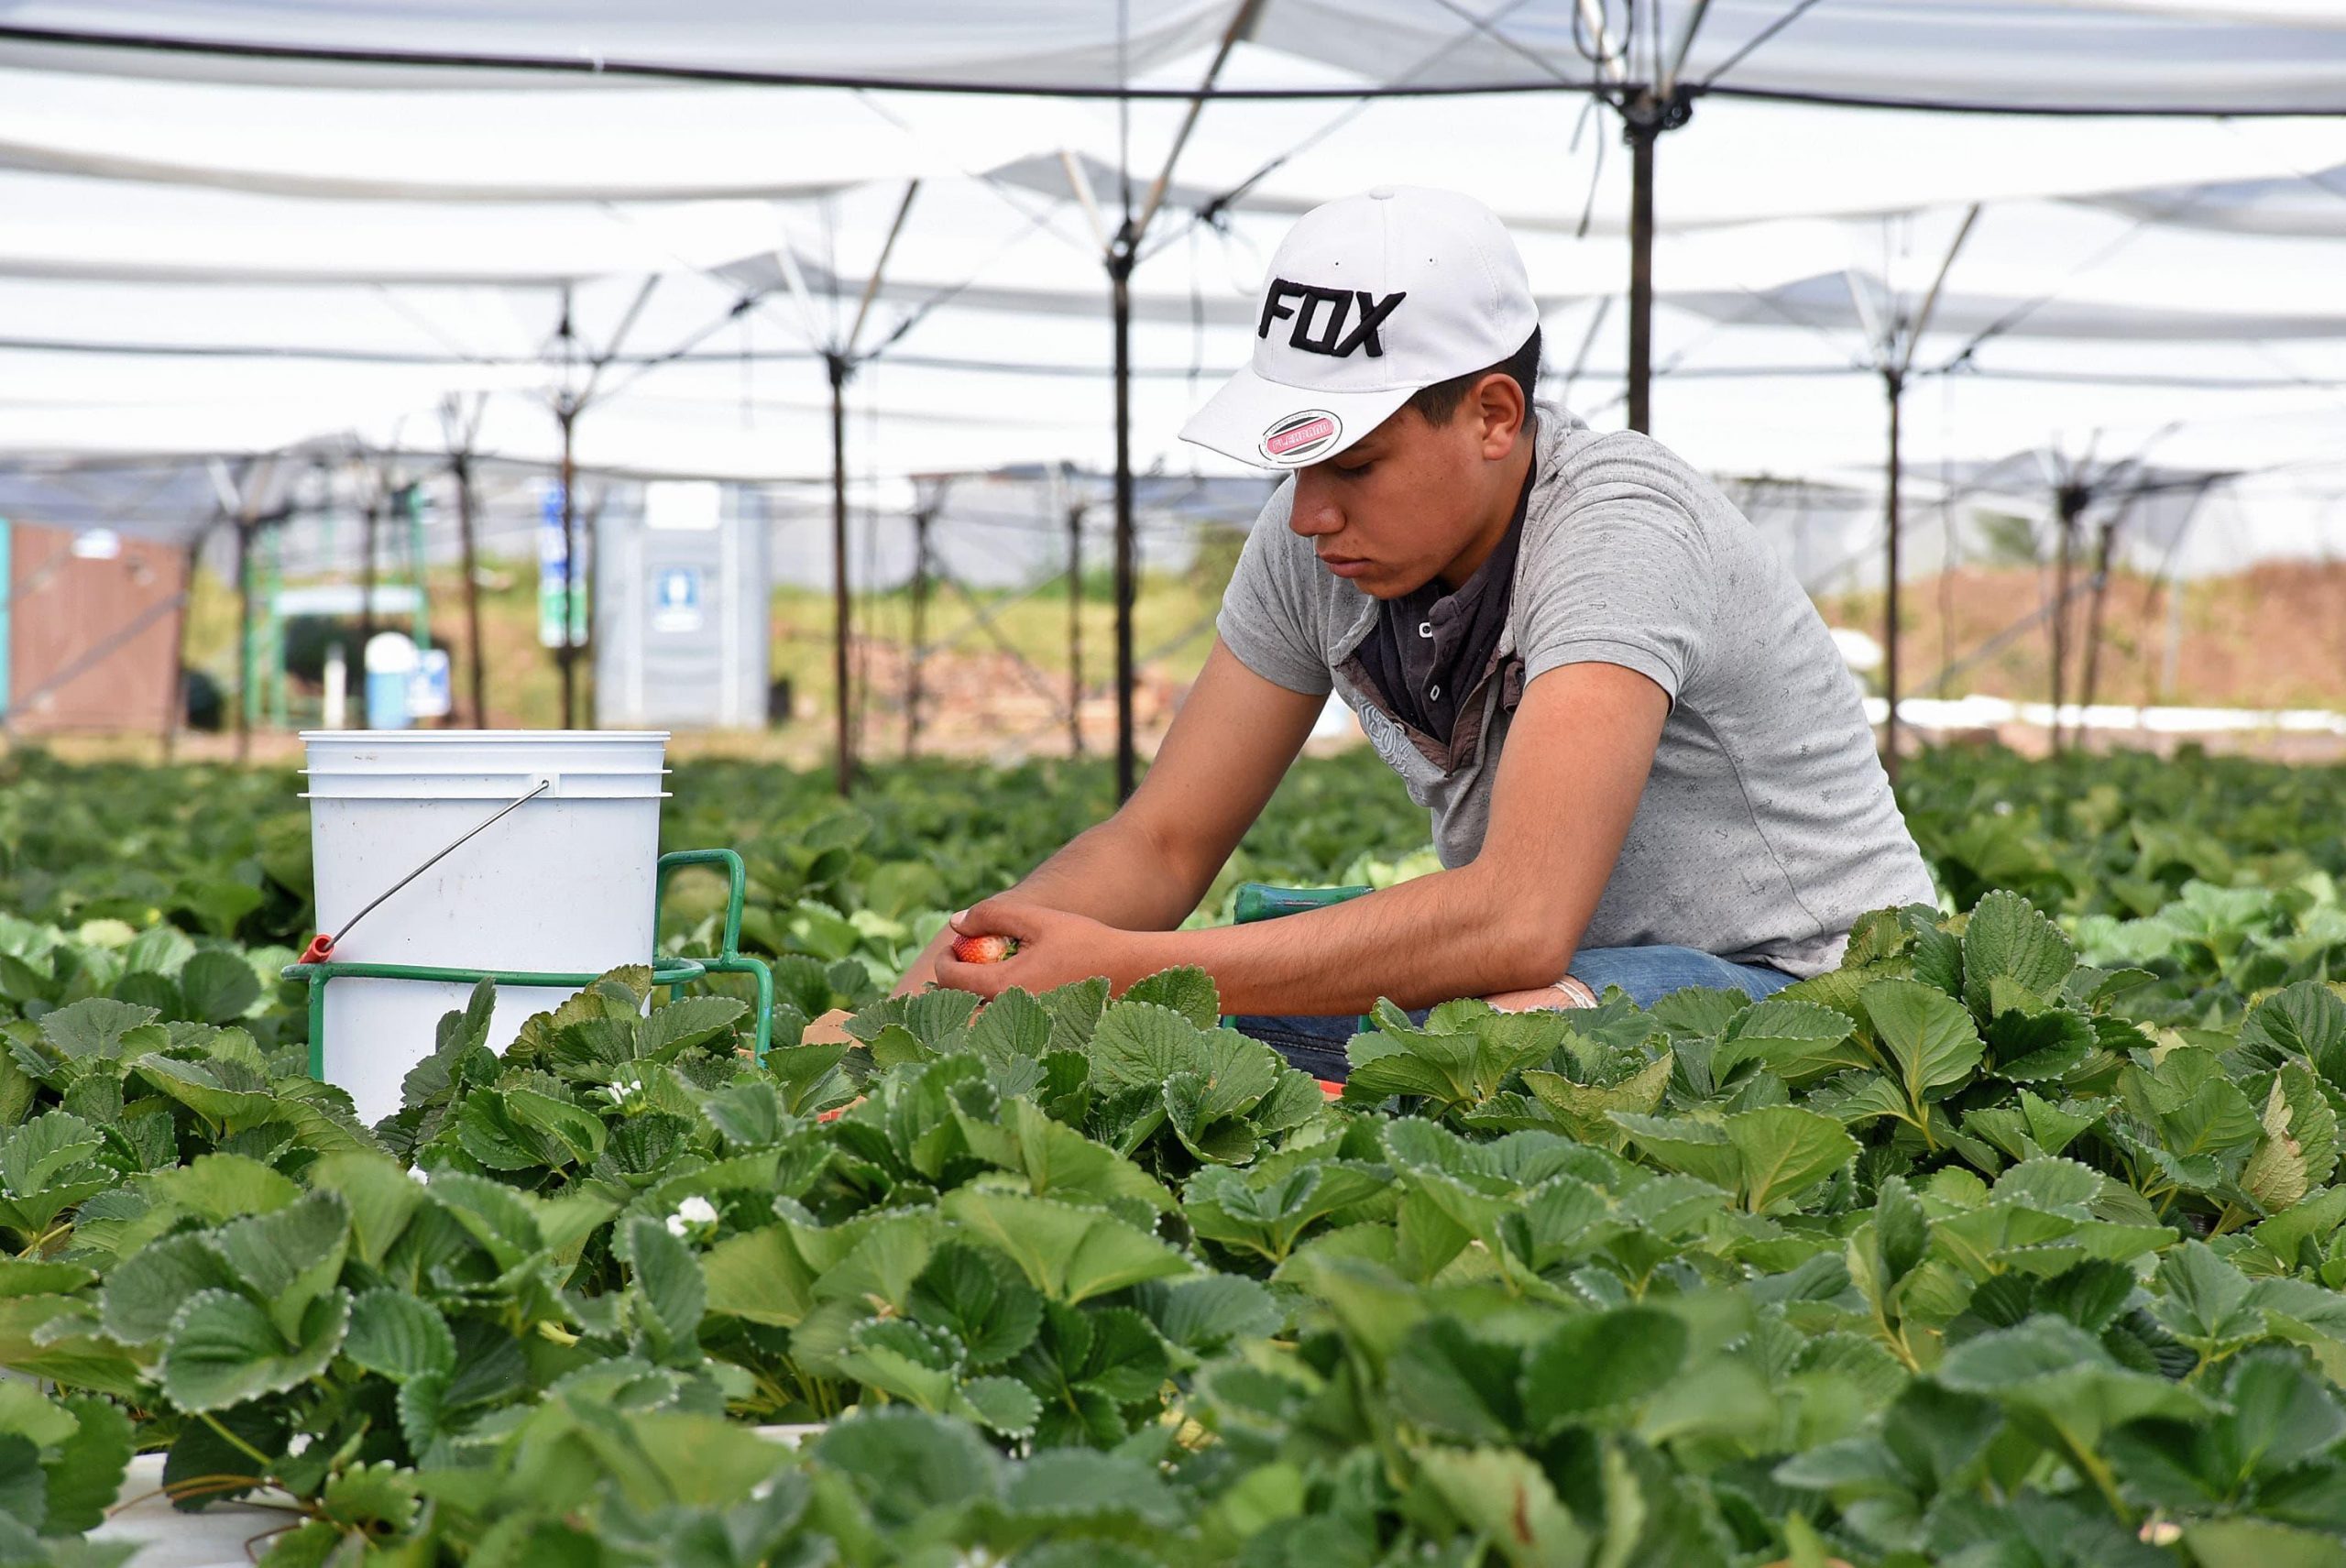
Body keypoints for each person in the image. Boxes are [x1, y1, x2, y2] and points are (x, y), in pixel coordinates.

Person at [831, 185, 1936, 1081]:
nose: (1311, 511)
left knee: (1489, 1034)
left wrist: (1126, 975)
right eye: (1295, 463)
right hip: (1555, 973)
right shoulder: (1311, 540)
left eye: (1354, 464)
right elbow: (1160, 844)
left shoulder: (1620, 528)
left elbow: (1517, 917)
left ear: (1495, 416)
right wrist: (952, 984)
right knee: (1231, 1042)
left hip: (1814, 988)